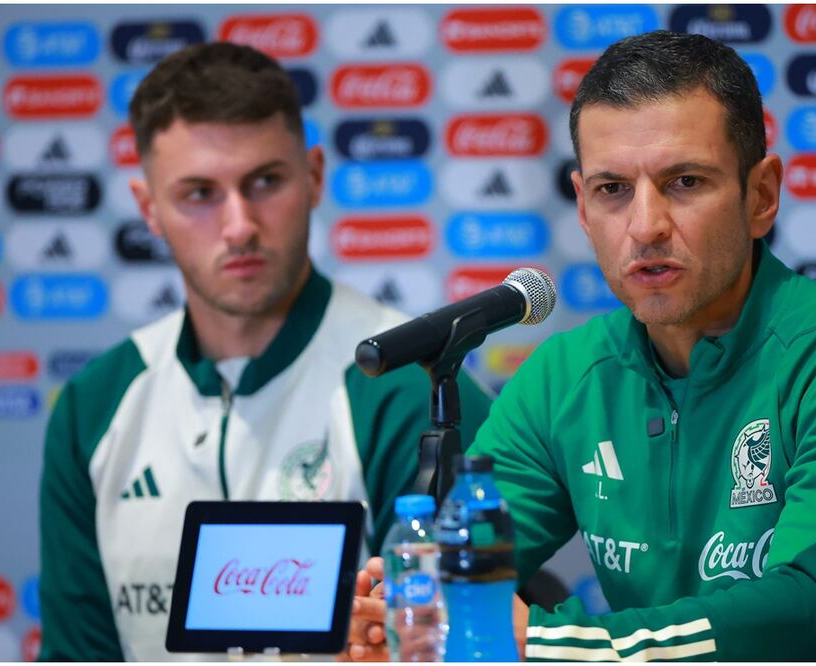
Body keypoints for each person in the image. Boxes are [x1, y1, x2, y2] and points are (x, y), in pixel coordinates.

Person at [350, 30, 816, 661]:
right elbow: (464, 573)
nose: (645, 226)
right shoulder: (563, 378)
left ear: (760, 196)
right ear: (583, 206)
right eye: (612, 189)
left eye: (684, 181)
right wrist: (396, 619)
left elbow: (804, 612)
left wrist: (551, 642)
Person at [37, 42, 492, 661]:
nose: (239, 225)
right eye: (199, 193)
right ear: (149, 209)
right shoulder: (95, 405)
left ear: (313, 176)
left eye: (265, 181)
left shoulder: (415, 386)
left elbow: (442, 646)